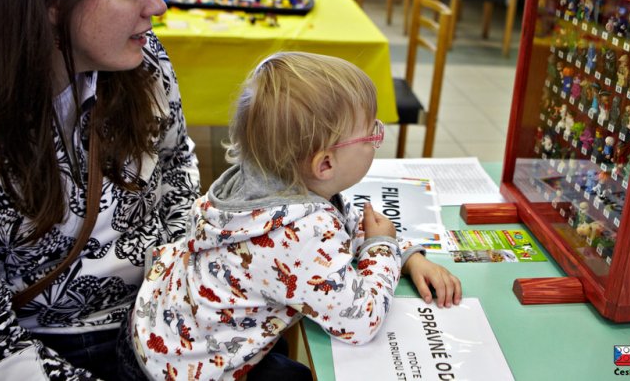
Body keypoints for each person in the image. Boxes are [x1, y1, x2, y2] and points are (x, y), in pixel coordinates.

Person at [0, 0, 200, 379]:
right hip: (40, 350)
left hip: (158, 320)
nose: (158, 6)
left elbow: (178, 162)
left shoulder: (141, 61)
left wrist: (175, 270)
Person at [130, 52, 462, 380]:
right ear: (325, 164)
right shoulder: (301, 230)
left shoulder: (264, 185)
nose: (377, 139)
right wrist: (381, 249)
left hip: (161, 328)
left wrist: (404, 254)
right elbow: (361, 320)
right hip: (183, 368)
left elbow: (341, 233)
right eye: (372, 133)